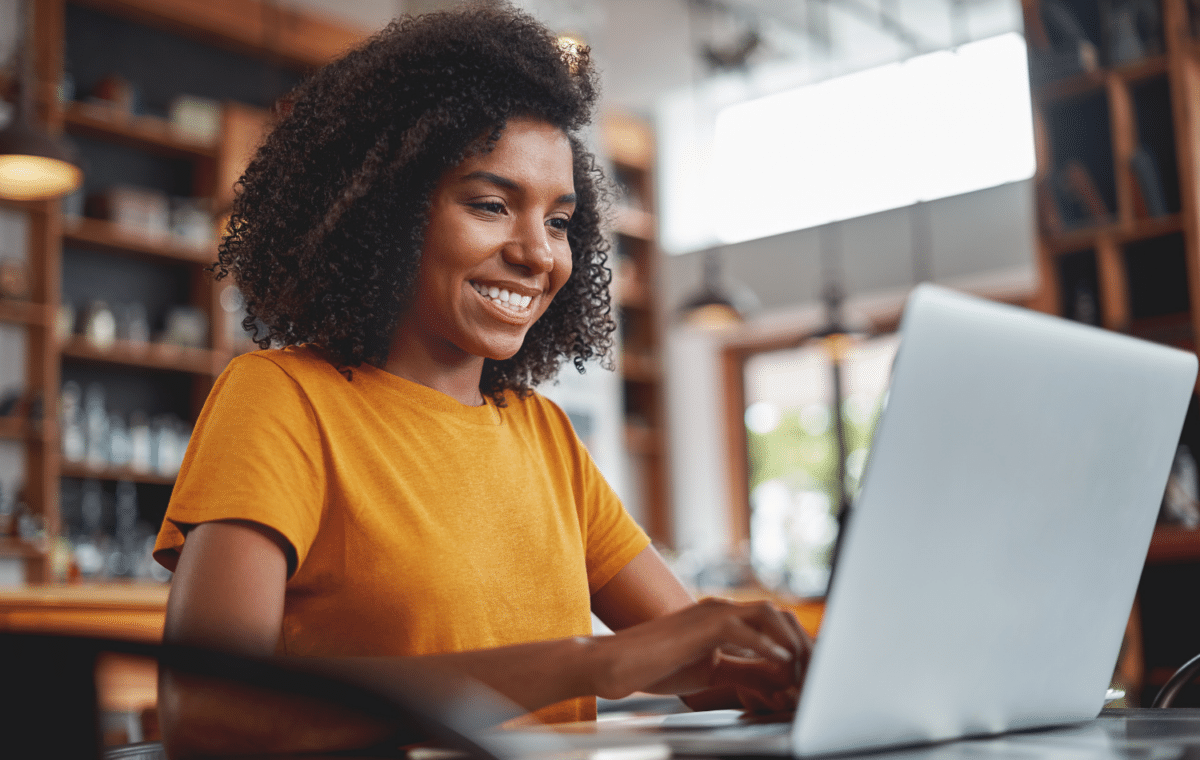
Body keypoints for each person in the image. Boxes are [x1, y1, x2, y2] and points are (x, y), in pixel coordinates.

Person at [152, 2, 811, 755]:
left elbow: (704, 670)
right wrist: (591, 663)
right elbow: (209, 720)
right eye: (492, 205)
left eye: (560, 221)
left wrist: (809, 670)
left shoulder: (543, 436)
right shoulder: (282, 400)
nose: (539, 254)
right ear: (386, 214)